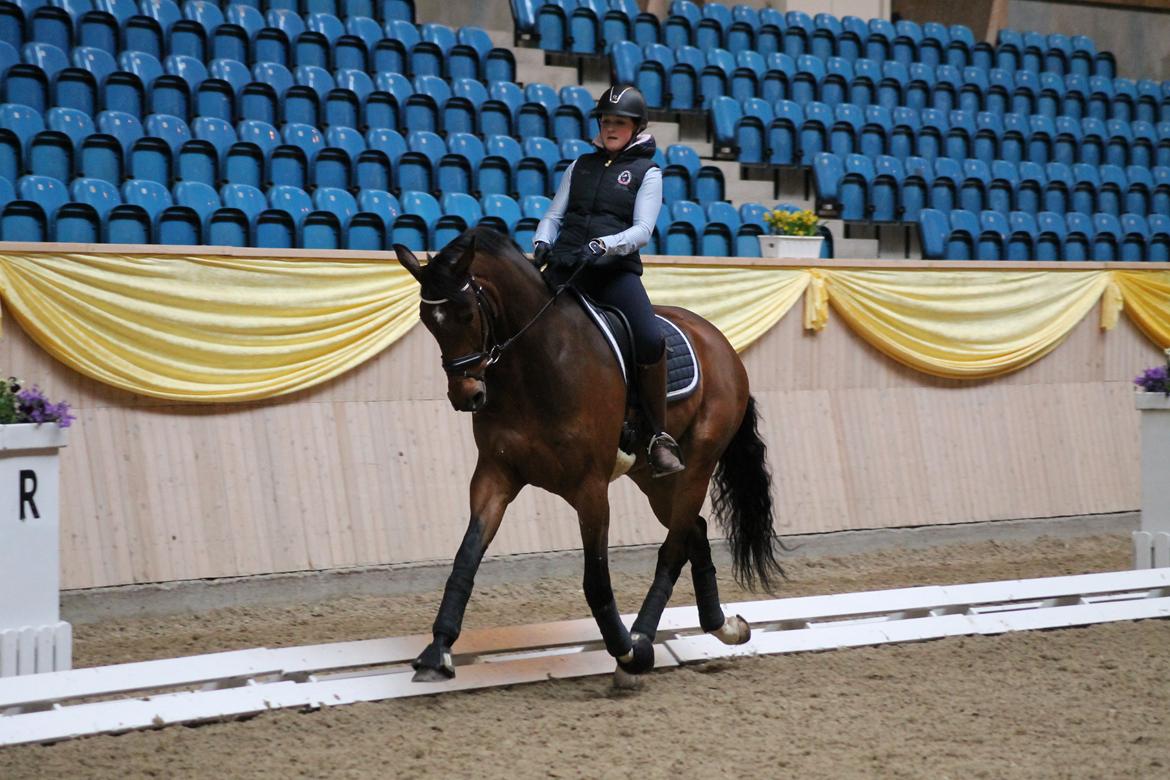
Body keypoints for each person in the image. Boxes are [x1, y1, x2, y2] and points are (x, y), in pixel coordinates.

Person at [532, 84, 684, 478]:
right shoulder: (578, 166)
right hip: (568, 265)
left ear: (636, 128)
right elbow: (554, 215)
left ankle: (658, 436)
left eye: (620, 122)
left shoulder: (648, 173)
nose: (611, 128)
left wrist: (605, 245)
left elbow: (643, 230)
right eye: (606, 121)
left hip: (614, 272)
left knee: (649, 338)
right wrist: (542, 241)